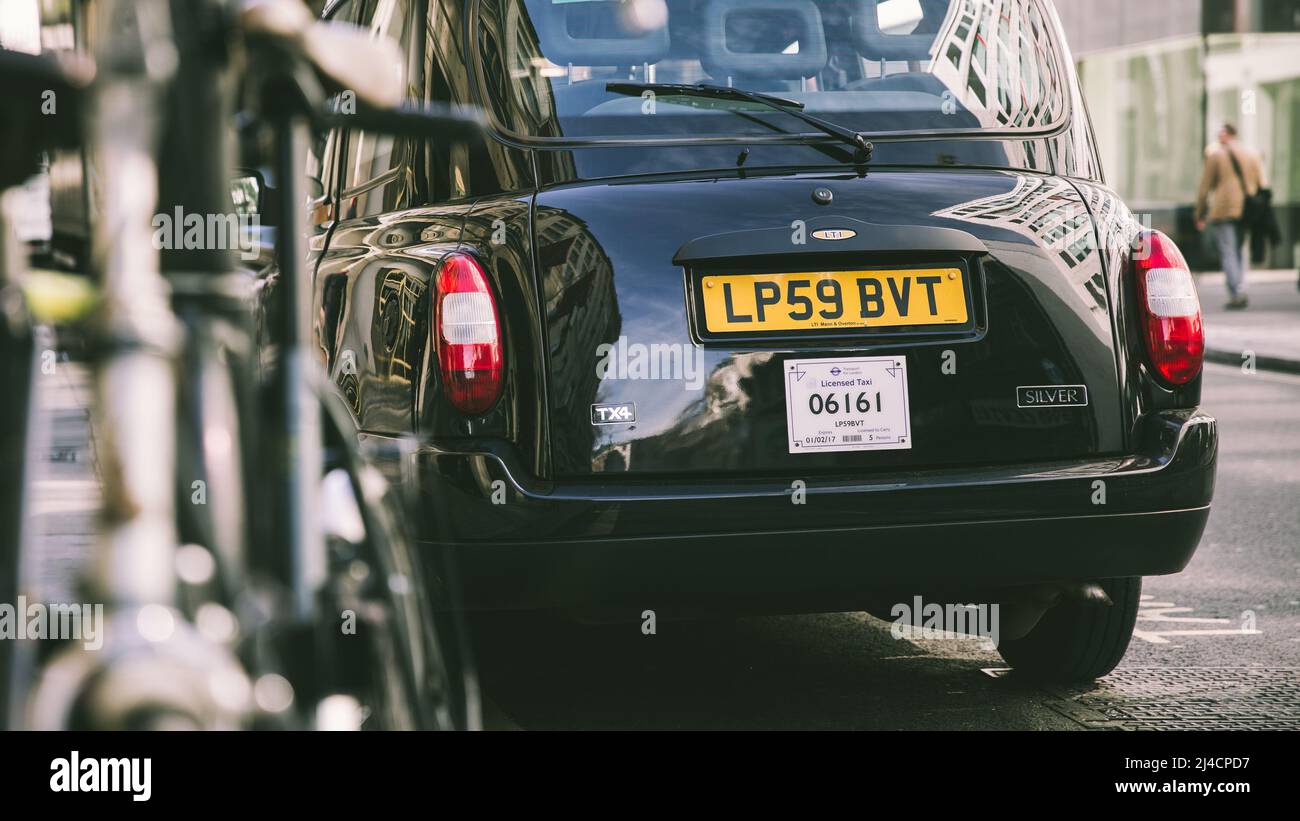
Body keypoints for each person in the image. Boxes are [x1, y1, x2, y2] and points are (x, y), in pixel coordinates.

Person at [1195, 123, 1266, 310]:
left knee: (1228, 250)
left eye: (1221, 134)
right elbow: (1261, 183)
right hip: (1247, 210)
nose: (1219, 137)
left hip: (1224, 209)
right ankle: (1241, 286)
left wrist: (1200, 213)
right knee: (1238, 250)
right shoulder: (1251, 154)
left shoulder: (1216, 155)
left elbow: (1205, 187)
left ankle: (1236, 292)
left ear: (1228, 135)